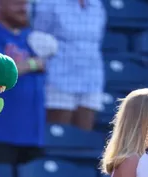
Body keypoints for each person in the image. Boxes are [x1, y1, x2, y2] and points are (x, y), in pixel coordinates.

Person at [0, 0, 49, 177]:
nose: (23, 8)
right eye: (16, 3)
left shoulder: (31, 38)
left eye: (25, 4)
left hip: (31, 135)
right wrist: (32, 64)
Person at [32, 0, 106, 131]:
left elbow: (98, 39)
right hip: (58, 78)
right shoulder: (49, 3)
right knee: (59, 133)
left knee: (83, 136)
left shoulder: (97, 4)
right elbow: (38, 38)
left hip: (91, 78)